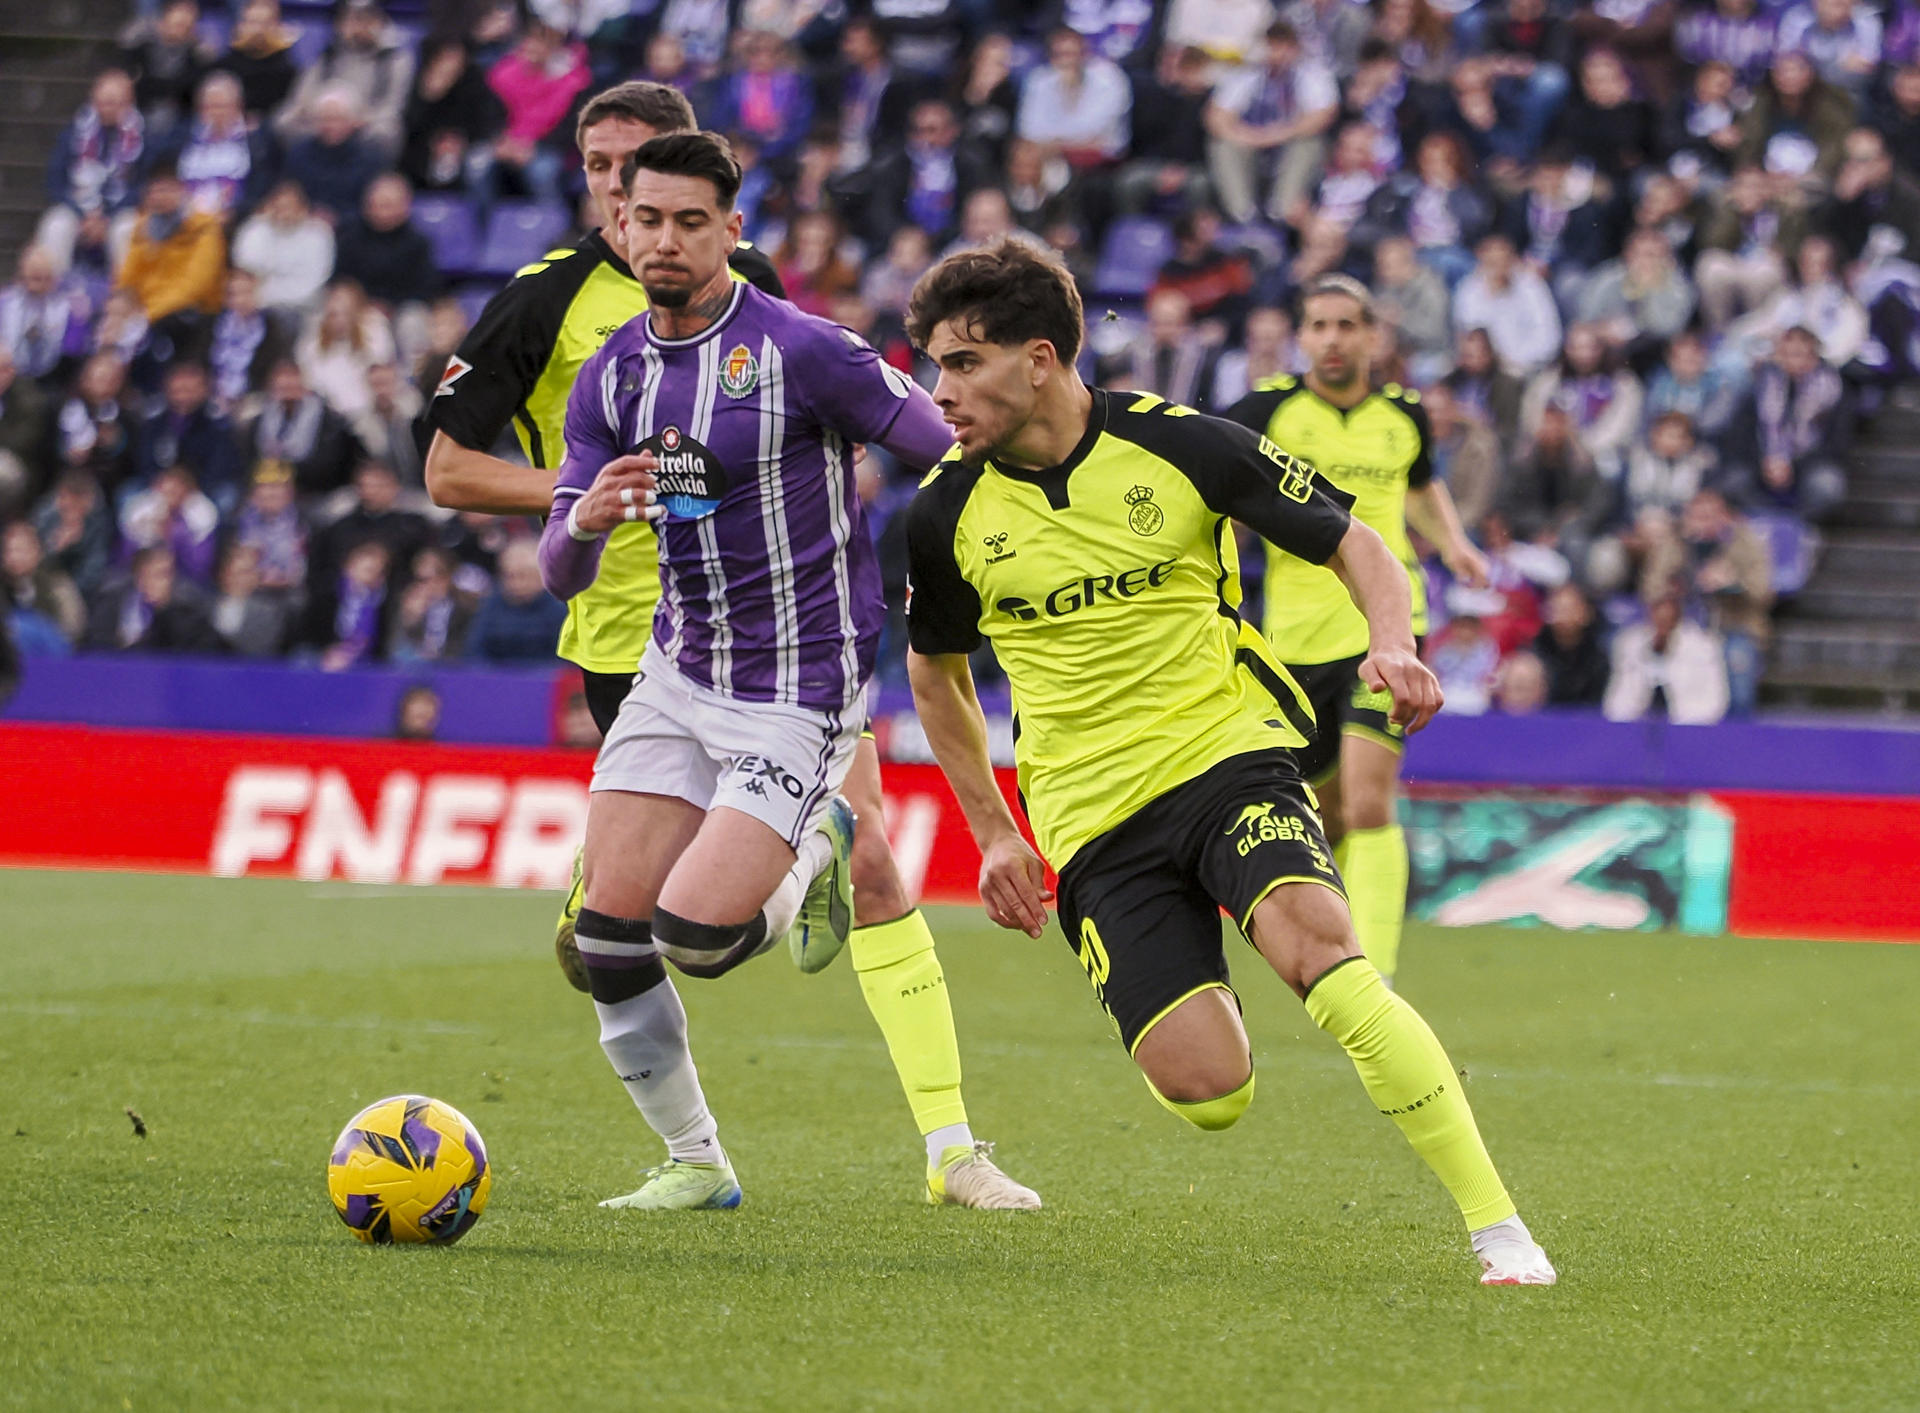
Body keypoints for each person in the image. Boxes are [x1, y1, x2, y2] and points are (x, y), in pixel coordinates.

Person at [423, 86, 1037, 1210]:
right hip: (671, 670)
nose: (658, 234)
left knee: (700, 937)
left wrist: (976, 565)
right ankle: (698, 1164)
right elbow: (558, 562)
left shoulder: (802, 348)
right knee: (608, 939)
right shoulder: (609, 367)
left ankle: (834, 854)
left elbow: (939, 445)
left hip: (797, 686)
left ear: (730, 231)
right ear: (617, 217)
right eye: (642, 213)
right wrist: (584, 521)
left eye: (686, 220)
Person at [902, 239, 1554, 1286]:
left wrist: (1395, 640)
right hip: (1090, 818)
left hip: (1225, 757)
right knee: (1211, 1093)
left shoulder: (1182, 443)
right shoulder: (942, 512)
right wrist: (992, 831)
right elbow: (936, 675)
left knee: (1325, 958)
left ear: (1039, 357)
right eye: (934, 364)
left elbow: (1360, 544)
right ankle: (1206, 958)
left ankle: (1500, 1230)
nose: (941, 392)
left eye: (962, 363)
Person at [1224, 276, 1487, 988]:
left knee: (1371, 800)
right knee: (1326, 812)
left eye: (1346, 325)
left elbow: (1422, 484)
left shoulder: (1403, 413)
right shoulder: (1266, 410)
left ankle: (1374, 973)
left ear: (1373, 336)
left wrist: (1455, 544)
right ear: (1302, 337)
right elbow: (1207, 482)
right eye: (1319, 325)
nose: (1333, 339)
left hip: (1389, 631)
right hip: (1294, 640)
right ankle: (1313, 925)